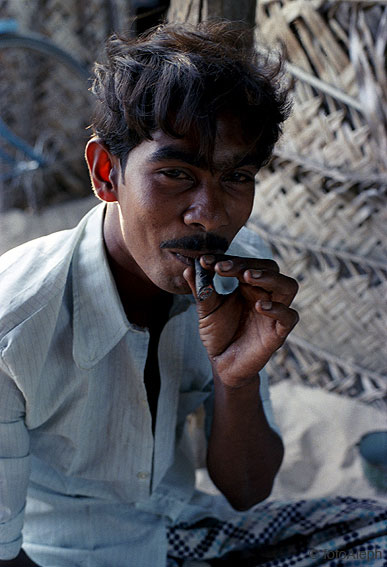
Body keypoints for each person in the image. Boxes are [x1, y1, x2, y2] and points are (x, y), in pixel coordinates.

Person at [0, 21, 299, 567]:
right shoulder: (14, 323)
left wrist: (237, 377)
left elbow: (248, 490)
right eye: (177, 174)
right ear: (105, 173)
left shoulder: (237, 274)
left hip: (185, 527)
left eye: (236, 177)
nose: (209, 215)